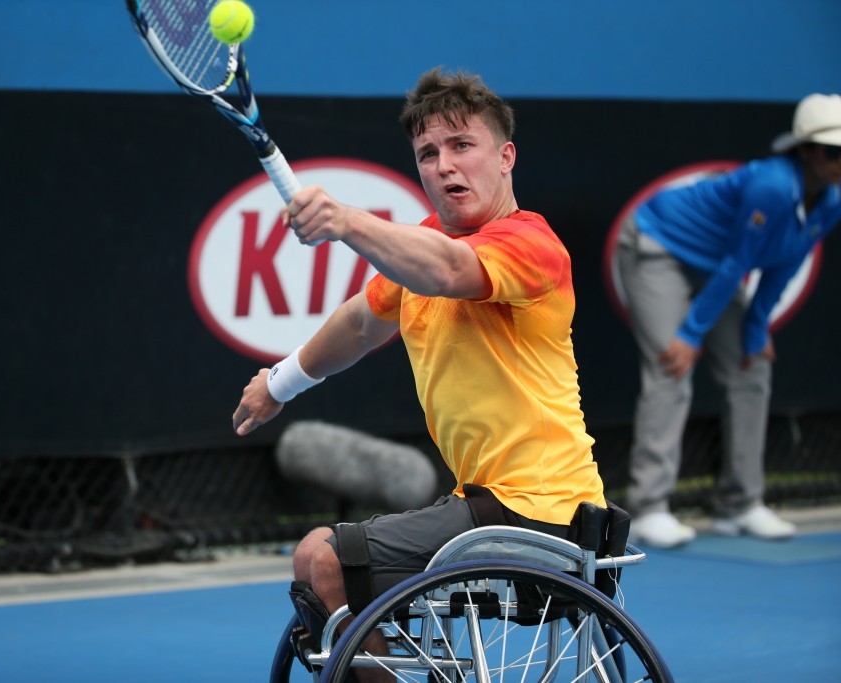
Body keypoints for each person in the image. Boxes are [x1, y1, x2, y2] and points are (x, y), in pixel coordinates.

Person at [232, 68, 607, 678]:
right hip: (482, 506)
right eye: (428, 153)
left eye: (463, 146)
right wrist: (279, 384)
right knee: (317, 569)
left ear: (505, 156)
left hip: (540, 508)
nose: (444, 165)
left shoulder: (530, 244)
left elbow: (448, 272)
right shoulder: (424, 246)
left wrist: (347, 222)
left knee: (324, 561)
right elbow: (359, 325)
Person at [616, 93, 841, 548]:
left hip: (714, 267)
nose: (840, 162)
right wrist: (690, 334)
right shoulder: (774, 187)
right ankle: (648, 509)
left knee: (752, 366)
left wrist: (757, 328)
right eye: (833, 152)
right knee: (671, 366)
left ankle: (739, 504)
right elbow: (739, 264)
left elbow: (786, 263)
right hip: (659, 247)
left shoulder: (832, 201)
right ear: (806, 151)